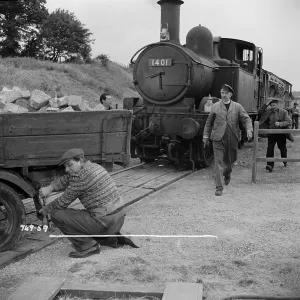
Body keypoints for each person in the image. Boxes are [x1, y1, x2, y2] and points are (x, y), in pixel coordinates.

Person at [39, 148, 139, 258]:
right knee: (84, 214)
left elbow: (61, 203)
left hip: (105, 224)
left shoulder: (80, 177)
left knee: (56, 214)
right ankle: (112, 238)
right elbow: (67, 178)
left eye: (69, 165)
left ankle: (88, 246)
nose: (67, 169)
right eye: (65, 166)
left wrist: (44, 211)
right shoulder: (95, 167)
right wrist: (51, 187)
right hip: (119, 219)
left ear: (80, 160)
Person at [203, 84, 253, 196]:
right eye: (222, 93)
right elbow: (208, 122)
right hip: (217, 138)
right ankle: (219, 187)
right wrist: (205, 136)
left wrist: (249, 129)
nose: (223, 95)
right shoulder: (215, 106)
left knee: (230, 161)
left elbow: (246, 119)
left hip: (232, 138)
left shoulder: (237, 106)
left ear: (230, 94)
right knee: (218, 162)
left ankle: (227, 173)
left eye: (226, 93)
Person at [258, 99, 292, 172]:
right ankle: (270, 165)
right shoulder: (268, 112)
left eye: (274, 105)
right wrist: (266, 104)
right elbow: (260, 112)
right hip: (271, 133)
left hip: (280, 133)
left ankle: (285, 161)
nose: (273, 107)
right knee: (270, 149)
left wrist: (280, 124)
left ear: (278, 105)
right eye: (272, 105)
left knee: (282, 148)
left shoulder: (283, 112)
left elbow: (289, 121)